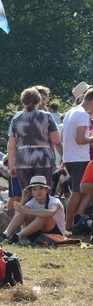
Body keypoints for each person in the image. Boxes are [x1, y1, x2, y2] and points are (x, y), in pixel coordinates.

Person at [7, 87, 60, 192]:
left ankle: (27, 208)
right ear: (38, 100)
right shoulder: (47, 117)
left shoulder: (16, 119)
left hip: (22, 159)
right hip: (43, 159)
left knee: (27, 193)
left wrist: (11, 165)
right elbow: (56, 140)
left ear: (23, 102)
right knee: (43, 194)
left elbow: (11, 146)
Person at [60, 86, 93, 230]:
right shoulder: (83, 115)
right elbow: (81, 139)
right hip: (79, 157)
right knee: (77, 191)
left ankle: (71, 222)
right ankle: (69, 224)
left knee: (78, 191)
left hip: (70, 157)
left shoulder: (71, 112)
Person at [1, 176, 66, 243]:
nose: (38, 191)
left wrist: (24, 210)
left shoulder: (54, 201)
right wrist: (23, 200)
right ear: (31, 193)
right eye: (35, 189)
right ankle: (6, 234)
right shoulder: (32, 202)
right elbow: (18, 214)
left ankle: (18, 236)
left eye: (41, 188)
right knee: (24, 209)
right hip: (38, 234)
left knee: (43, 216)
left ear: (46, 190)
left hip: (56, 236)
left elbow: (50, 213)